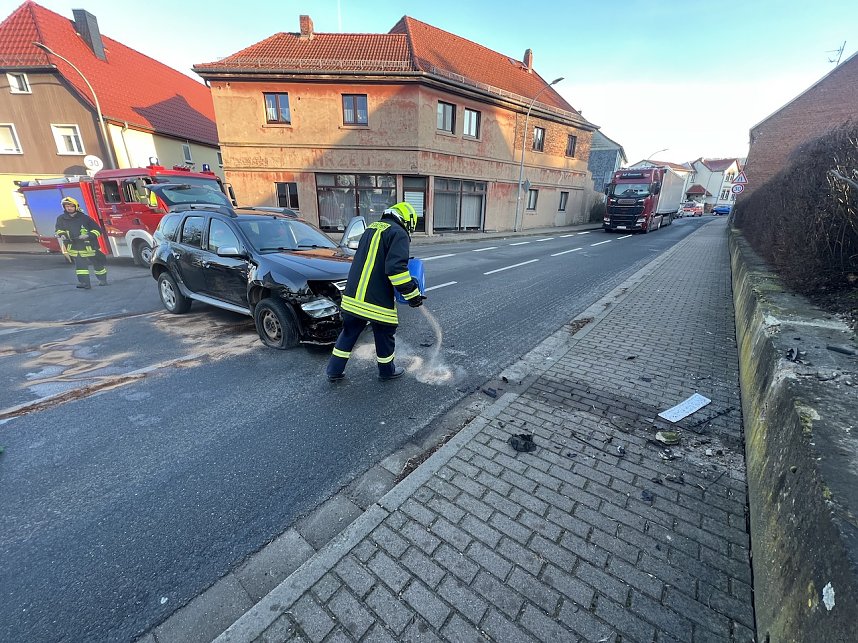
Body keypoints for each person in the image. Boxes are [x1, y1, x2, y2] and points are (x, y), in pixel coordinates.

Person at [326, 202, 425, 382]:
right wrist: (413, 295)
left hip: (352, 295)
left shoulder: (372, 228)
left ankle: (334, 370)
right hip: (376, 298)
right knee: (385, 331)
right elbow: (396, 270)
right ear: (408, 220)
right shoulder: (399, 233)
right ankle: (387, 371)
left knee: (349, 332)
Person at [54, 196, 108, 289]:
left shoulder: (85, 218)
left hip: (89, 246)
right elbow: (58, 229)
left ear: (76, 206)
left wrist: (87, 235)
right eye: (67, 206)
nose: (69, 208)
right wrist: (62, 234)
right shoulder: (61, 218)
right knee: (81, 268)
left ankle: (103, 280)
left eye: (71, 206)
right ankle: (85, 283)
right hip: (75, 246)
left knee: (98, 263)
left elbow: (98, 230)